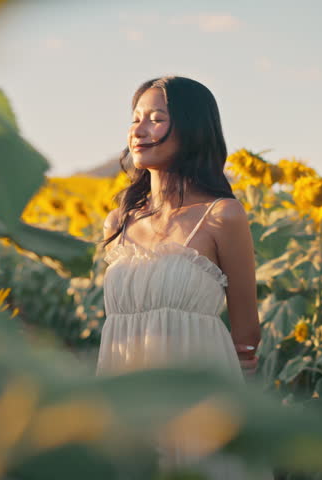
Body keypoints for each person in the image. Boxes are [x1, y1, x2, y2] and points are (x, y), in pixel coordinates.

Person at [94, 76, 263, 478]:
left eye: (156, 118)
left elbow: (246, 336)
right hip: (124, 388)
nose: (139, 130)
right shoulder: (117, 222)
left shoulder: (223, 215)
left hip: (198, 396)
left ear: (191, 129)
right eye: (136, 118)